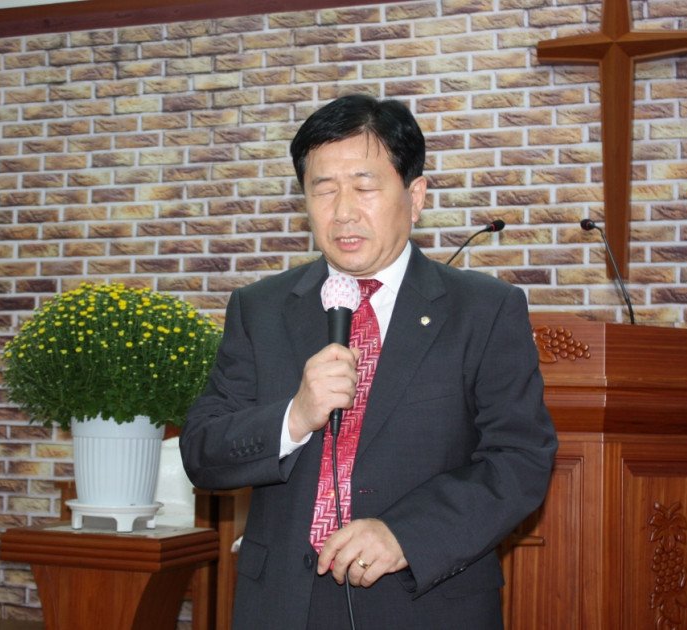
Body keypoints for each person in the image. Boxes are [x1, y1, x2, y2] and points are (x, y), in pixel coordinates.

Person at [181, 94, 557, 629]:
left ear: (415, 196)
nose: (343, 212)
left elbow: (520, 459)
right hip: (285, 605)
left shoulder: (484, 310)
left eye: (364, 187)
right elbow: (202, 451)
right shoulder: (260, 308)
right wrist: (293, 417)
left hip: (424, 601)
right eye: (323, 189)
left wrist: (405, 534)